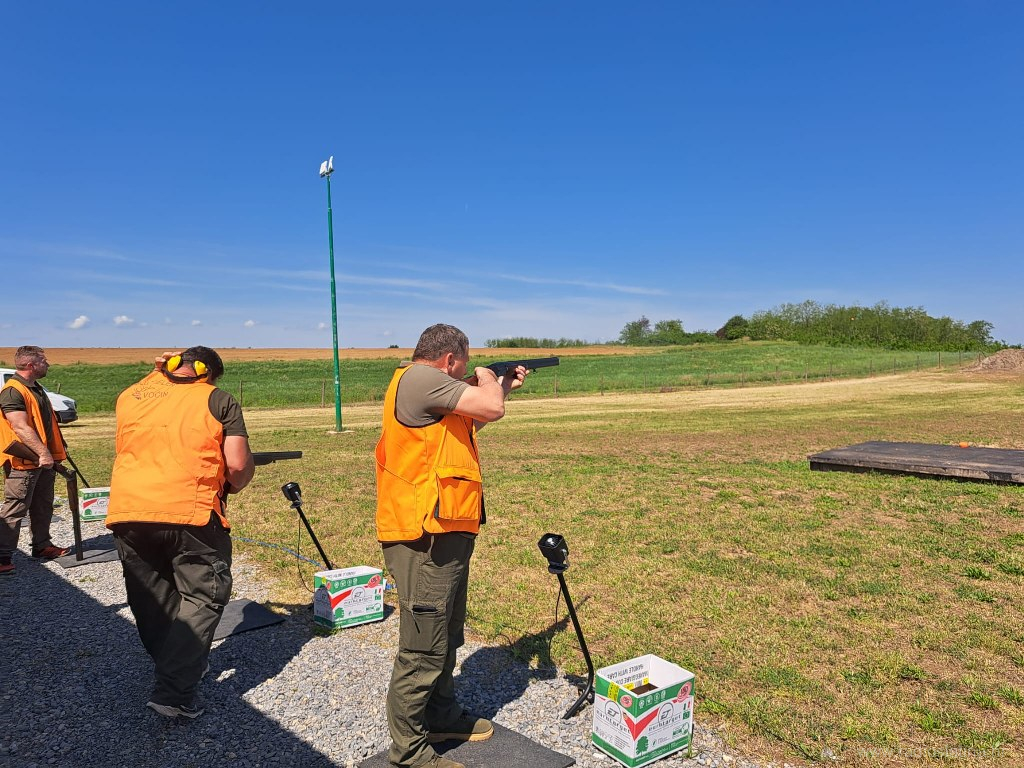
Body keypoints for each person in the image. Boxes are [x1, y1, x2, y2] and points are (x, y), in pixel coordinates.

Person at [375, 324, 527, 768]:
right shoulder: (420, 378)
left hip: (444, 531)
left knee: (445, 633)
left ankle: (440, 715)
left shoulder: (432, 389)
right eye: (466, 363)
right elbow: (490, 408)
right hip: (423, 536)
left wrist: (502, 386)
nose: (467, 370)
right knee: (422, 646)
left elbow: (476, 416)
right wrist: (489, 378)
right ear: (450, 360)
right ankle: (409, 752)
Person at [106, 346, 254, 719]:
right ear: (208, 373)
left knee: (152, 597)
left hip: (128, 511)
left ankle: (176, 665)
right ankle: (173, 693)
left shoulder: (131, 395)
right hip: (191, 513)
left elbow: (155, 390)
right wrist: (234, 484)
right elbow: (237, 465)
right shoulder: (217, 399)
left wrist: (159, 368)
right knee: (205, 595)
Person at [0, 346, 71, 575]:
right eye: (43, 360)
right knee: (15, 507)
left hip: (43, 460)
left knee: (43, 505)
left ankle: (42, 546)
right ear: (31, 365)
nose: (47, 364)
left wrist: (55, 449)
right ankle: (2, 556)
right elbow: (19, 426)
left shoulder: (36, 388)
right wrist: (43, 453)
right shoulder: (13, 391)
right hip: (24, 461)